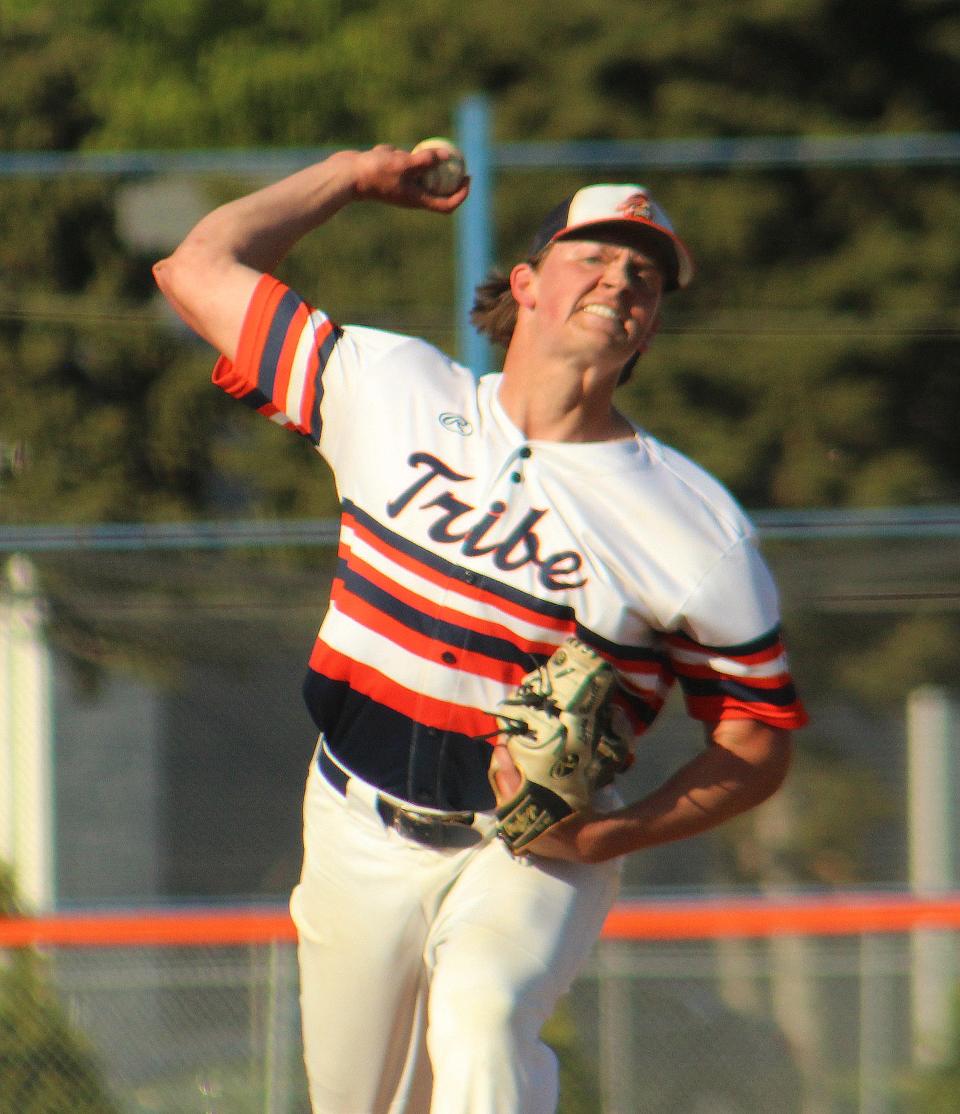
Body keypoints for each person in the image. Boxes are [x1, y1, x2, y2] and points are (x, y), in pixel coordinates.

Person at [153, 142, 808, 1114]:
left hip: (529, 846)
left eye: (646, 274)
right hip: (353, 824)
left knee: (482, 1016)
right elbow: (196, 266)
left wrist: (611, 833)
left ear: (650, 324)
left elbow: (756, 738)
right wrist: (349, 176)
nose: (622, 277)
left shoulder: (693, 523)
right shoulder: (394, 389)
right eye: (596, 254)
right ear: (528, 284)